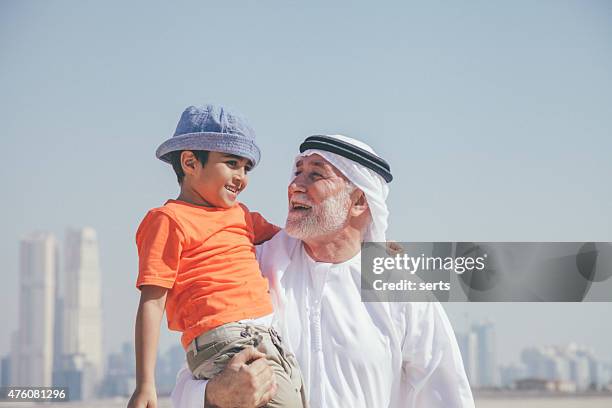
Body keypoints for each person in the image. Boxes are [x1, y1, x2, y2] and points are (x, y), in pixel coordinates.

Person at [171, 134, 475, 407]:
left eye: (315, 175)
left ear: (358, 201)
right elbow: (190, 379)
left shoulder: (400, 289)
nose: (295, 186)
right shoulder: (249, 267)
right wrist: (213, 396)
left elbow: (446, 394)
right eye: (297, 173)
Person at [128, 105, 306, 408]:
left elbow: (301, 240)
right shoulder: (169, 219)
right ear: (190, 162)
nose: (242, 177)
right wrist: (146, 383)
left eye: (246, 168)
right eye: (232, 163)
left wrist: (371, 243)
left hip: (267, 340)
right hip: (225, 341)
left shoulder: (242, 216)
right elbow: (152, 302)